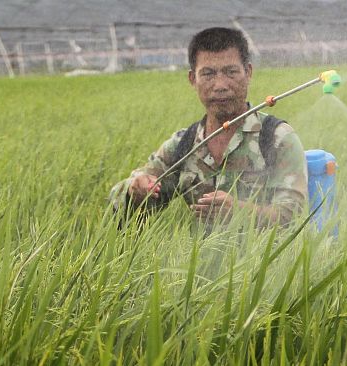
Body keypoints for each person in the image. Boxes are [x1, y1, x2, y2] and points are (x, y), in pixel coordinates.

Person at [111, 27, 308, 227]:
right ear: (192, 79)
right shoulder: (184, 144)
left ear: (248, 72)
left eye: (231, 72)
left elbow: (294, 214)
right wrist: (135, 189)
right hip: (198, 257)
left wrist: (241, 213)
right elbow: (127, 194)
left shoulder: (276, 138)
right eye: (208, 74)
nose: (220, 85)